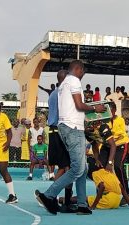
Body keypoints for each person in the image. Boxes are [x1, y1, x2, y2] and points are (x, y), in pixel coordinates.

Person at [35, 60, 105, 215]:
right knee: (77, 168)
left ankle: (81, 204)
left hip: (67, 127)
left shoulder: (62, 85)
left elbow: (73, 107)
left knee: (83, 167)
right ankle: (49, 195)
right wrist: (95, 108)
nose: (83, 75)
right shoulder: (73, 80)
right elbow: (80, 106)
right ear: (78, 69)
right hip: (73, 128)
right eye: (83, 72)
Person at [86, 102, 129, 203]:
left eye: (111, 111)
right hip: (107, 145)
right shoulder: (102, 122)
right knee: (99, 166)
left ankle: (127, 193)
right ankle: (102, 190)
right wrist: (97, 159)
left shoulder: (120, 120)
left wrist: (110, 162)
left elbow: (119, 135)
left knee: (117, 166)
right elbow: (95, 143)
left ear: (114, 110)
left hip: (120, 144)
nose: (109, 113)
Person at [47, 70, 74, 211]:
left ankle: (52, 197)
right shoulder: (63, 94)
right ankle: (67, 201)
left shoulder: (53, 93)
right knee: (69, 167)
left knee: (63, 168)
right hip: (61, 132)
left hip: (52, 132)